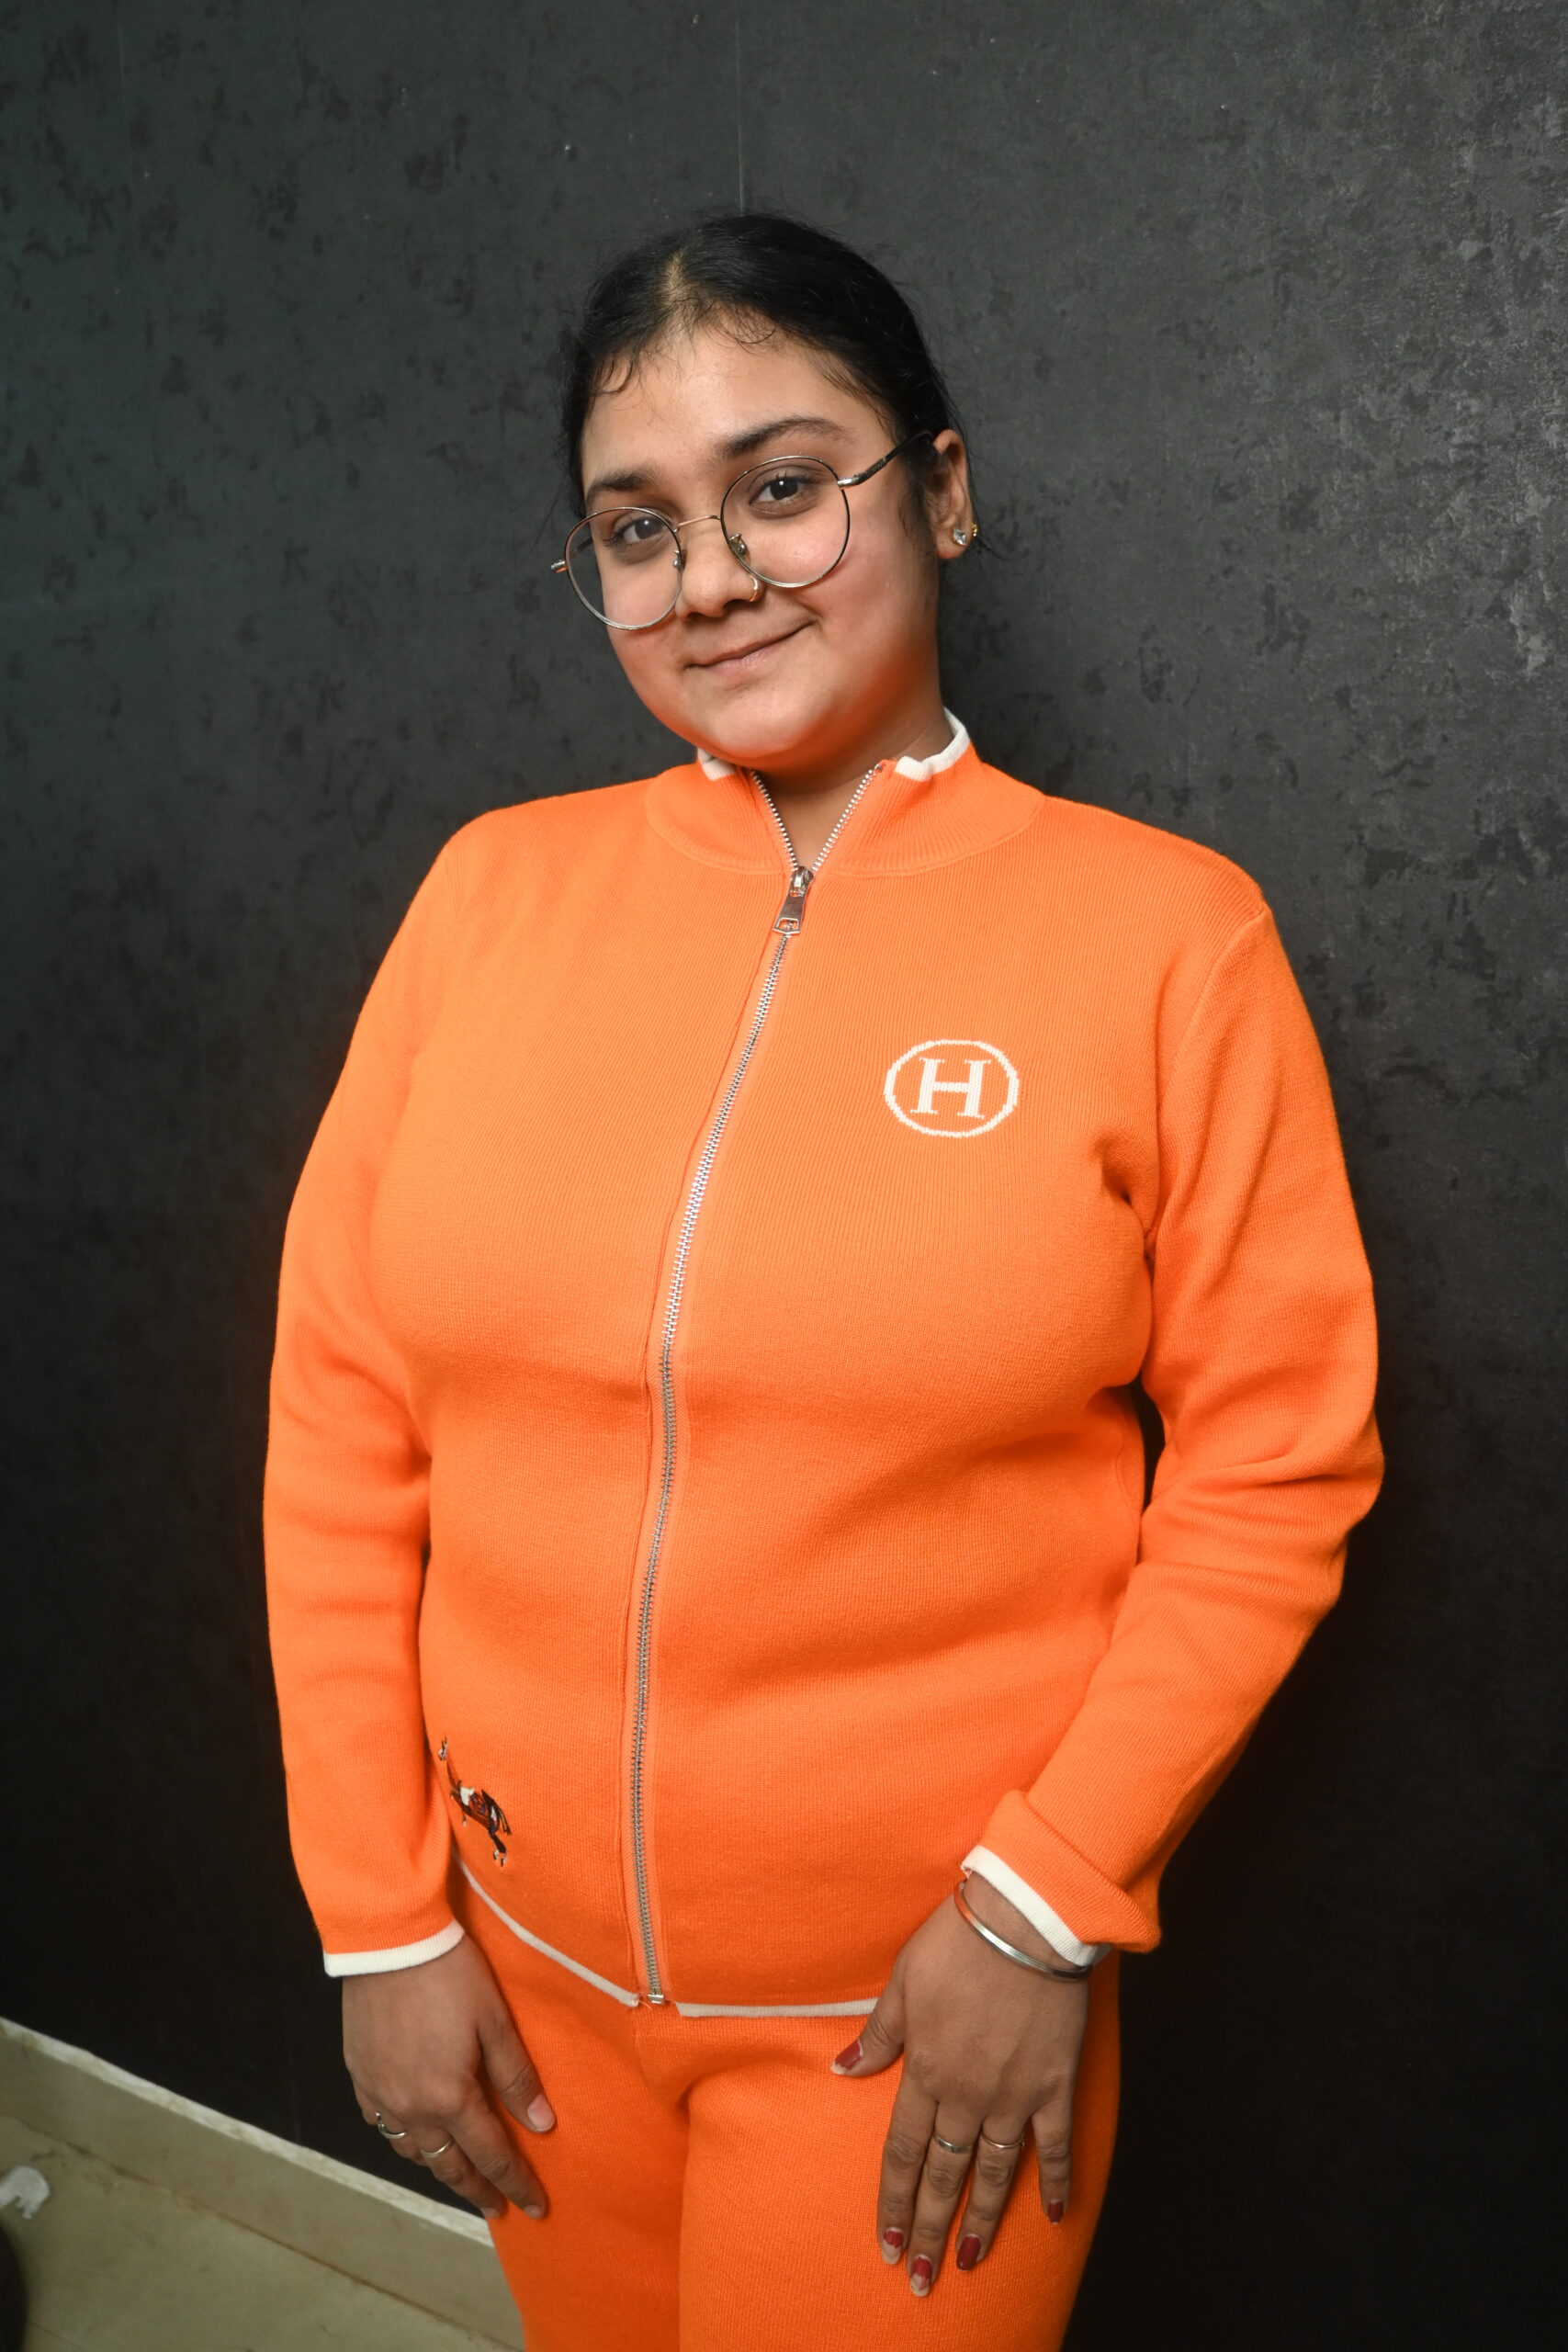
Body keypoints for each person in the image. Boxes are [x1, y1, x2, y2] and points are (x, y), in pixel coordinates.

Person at [262, 213, 1383, 2351]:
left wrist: (1038, 1909)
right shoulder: (486, 898)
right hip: (517, 1984)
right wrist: (377, 1920)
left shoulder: (1166, 940)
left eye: (780, 486)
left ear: (937, 490)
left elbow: (1275, 1469)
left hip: (907, 2017)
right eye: (636, 526)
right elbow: (339, 1424)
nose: (711, 577)